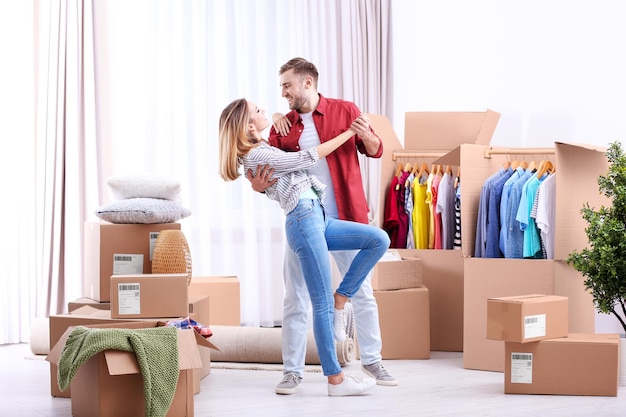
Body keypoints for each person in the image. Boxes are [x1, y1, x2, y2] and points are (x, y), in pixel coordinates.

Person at [218, 98, 390, 397]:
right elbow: (307, 157)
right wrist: (350, 133)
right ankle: (335, 379)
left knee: (378, 240)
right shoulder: (256, 154)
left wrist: (270, 116)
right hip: (303, 220)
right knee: (316, 303)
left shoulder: (262, 147)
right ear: (247, 125)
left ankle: (342, 297)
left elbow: (273, 153)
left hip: (318, 216)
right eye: (257, 110)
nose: (265, 109)